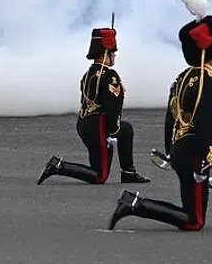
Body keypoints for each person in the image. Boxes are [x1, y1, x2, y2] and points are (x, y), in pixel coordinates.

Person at [107, 14, 212, 231]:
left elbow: (170, 119)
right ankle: (136, 205)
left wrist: (170, 151)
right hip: (198, 152)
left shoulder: (181, 78)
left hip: (181, 149)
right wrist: (207, 156)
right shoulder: (208, 82)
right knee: (194, 221)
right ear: (210, 52)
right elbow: (205, 123)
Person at [37, 27, 150, 186]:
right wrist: (113, 131)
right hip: (99, 127)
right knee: (99, 176)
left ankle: (129, 172)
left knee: (127, 130)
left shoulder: (89, 73)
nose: (114, 56)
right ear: (106, 53)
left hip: (85, 124)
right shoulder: (109, 75)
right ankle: (59, 166)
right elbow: (112, 107)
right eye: (112, 53)